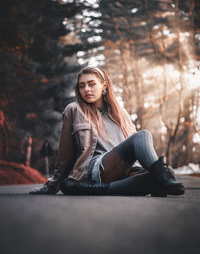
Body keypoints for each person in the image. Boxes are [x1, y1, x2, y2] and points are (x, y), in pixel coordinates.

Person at [30, 67, 185, 196]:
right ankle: (159, 179)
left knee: (165, 172)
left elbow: (136, 148)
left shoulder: (120, 112)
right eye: (82, 86)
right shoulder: (74, 110)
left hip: (125, 171)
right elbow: (65, 154)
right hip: (97, 169)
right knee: (144, 136)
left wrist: (141, 170)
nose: (86, 89)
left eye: (91, 84)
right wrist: (53, 185)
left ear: (104, 87)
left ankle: (97, 190)